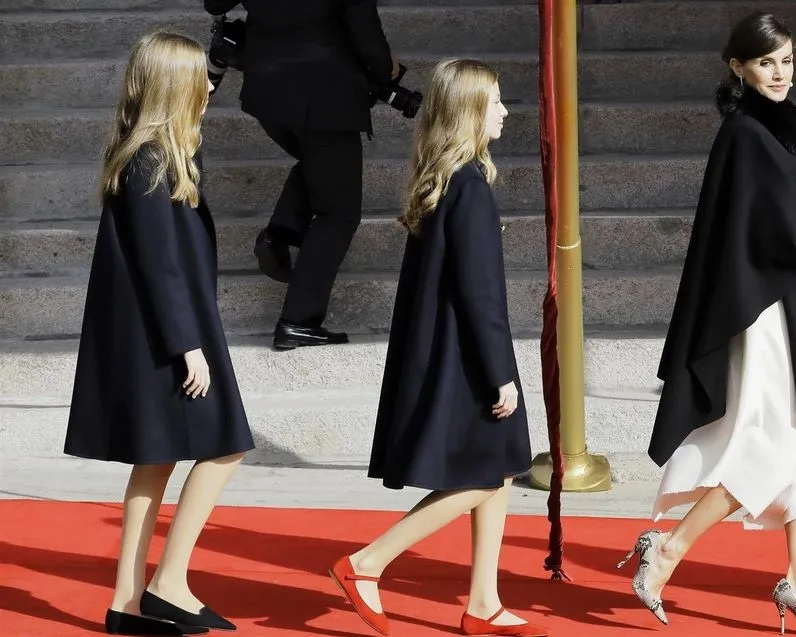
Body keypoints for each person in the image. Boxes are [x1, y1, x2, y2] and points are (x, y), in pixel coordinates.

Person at [619, 12, 796, 637]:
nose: (779, 74)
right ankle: (666, 551)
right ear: (738, 67)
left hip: (784, 301)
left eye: (787, 61)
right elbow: (764, 234)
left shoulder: (775, 129)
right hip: (763, 309)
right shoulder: (747, 133)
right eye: (766, 62)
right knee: (776, 442)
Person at [326, 59, 548, 637]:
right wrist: (502, 373)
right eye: (495, 101)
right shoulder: (469, 187)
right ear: (471, 111)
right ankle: (366, 563)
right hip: (468, 359)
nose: (505, 111)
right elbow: (481, 295)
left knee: (497, 470)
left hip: (448, 351)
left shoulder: (444, 180)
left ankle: (483, 601)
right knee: (484, 475)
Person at [64, 32, 254, 636]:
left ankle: (125, 601)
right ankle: (168, 583)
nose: (210, 85)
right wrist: (188, 346)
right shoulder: (149, 158)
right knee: (225, 446)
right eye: (202, 75)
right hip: (173, 335)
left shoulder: (146, 152)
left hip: (165, 331)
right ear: (176, 85)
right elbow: (158, 263)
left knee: (156, 461)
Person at [203, 0, 401, 349]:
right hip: (326, 95)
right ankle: (298, 320)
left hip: (268, 92)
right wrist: (387, 73)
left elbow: (214, 4)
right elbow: (365, 29)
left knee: (320, 168)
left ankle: (281, 232)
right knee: (338, 214)